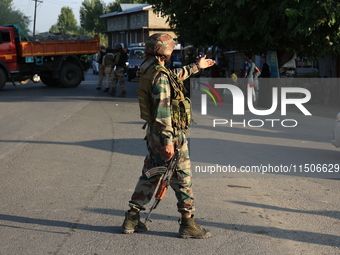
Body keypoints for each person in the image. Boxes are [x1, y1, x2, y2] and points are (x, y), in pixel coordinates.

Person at [122, 33, 215, 239]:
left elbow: (174, 76)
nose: (172, 50)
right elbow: (163, 110)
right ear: (163, 50)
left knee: (151, 174)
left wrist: (197, 66)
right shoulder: (160, 76)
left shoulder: (149, 69)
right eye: (170, 48)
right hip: (168, 136)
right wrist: (168, 142)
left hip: (154, 135)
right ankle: (188, 223)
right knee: (183, 179)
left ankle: (132, 218)